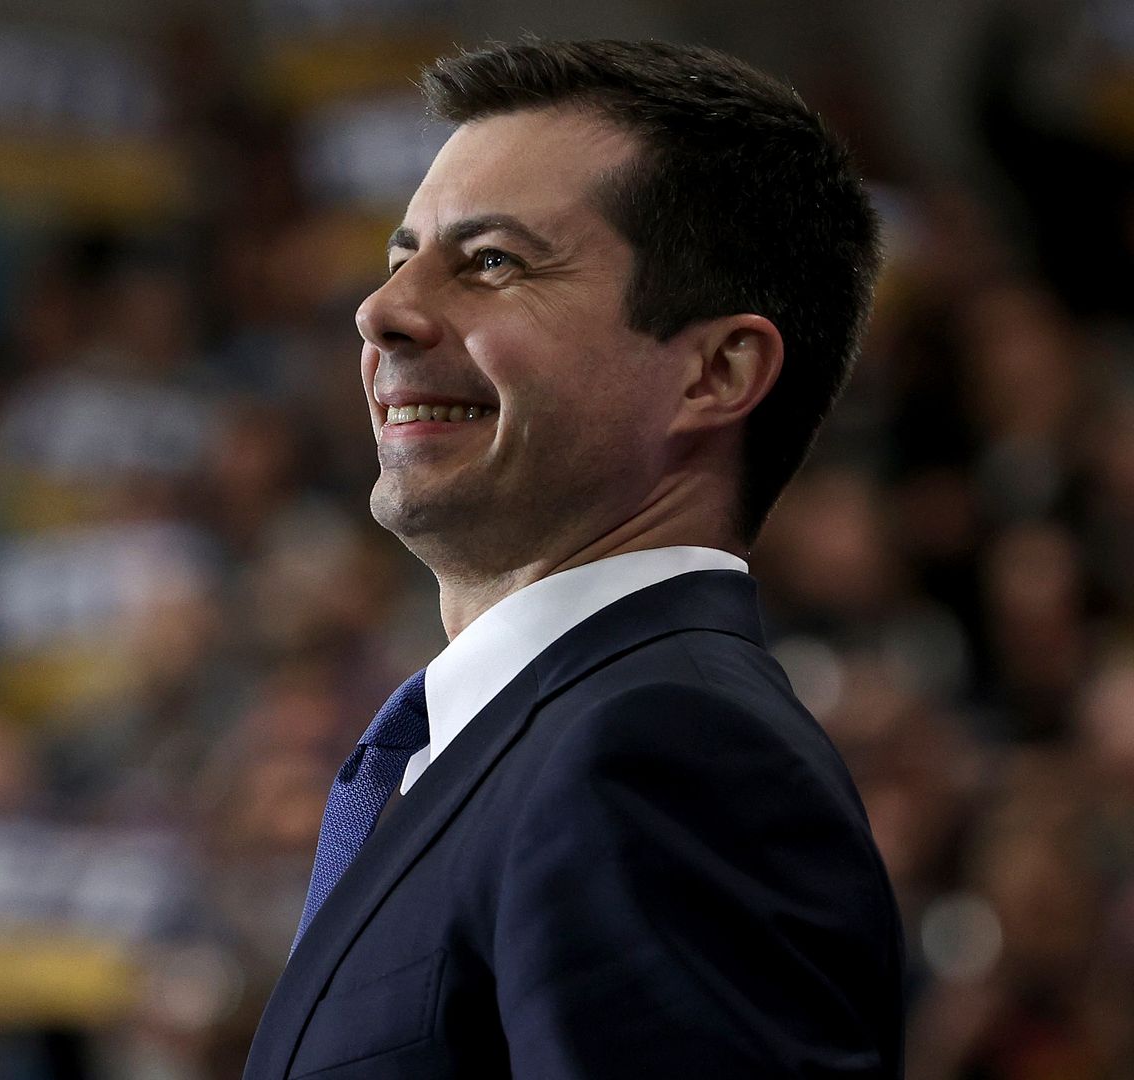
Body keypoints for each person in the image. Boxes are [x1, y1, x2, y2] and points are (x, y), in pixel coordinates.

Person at [243, 39, 905, 1078]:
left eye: (492, 261)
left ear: (716, 374)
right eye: (400, 256)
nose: (381, 312)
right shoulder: (527, 744)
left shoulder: (667, 756)